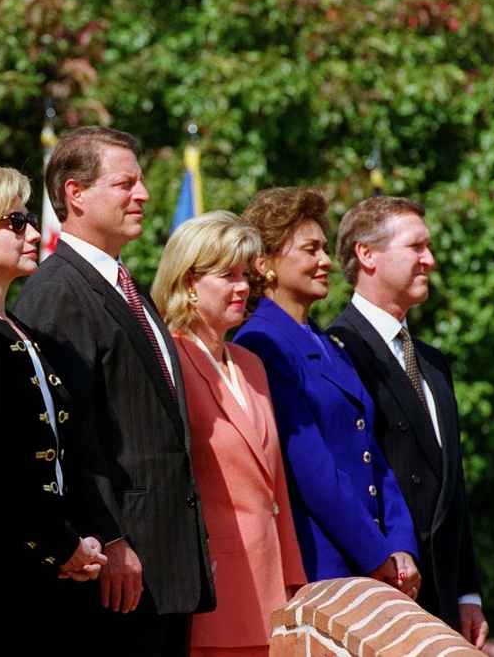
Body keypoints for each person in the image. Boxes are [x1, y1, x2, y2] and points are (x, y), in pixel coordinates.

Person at [14, 127, 214, 657]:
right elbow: (67, 433)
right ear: (75, 194)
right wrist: (110, 537)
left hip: (162, 566)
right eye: (125, 183)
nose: (143, 194)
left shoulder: (126, 285)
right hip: (117, 572)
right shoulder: (57, 292)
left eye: (141, 182)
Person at [0, 165, 107, 637]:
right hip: (5, 563)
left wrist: (74, 542)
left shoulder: (20, 329)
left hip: (52, 561)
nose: (32, 231)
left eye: (29, 218)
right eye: (14, 222)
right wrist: (60, 543)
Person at [232, 187, 418, 593]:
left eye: (324, 249)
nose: (326, 262)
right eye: (310, 249)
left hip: (372, 561)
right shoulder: (260, 344)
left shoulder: (329, 343)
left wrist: (402, 544)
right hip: (323, 564)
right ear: (264, 264)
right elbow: (311, 469)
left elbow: (374, 454)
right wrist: (376, 552)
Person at [327, 196, 487, 647]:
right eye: (416, 246)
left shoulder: (433, 363)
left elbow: (449, 484)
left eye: (429, 247)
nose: (430, 260)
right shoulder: (337, 351)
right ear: (367, 254)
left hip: (443, 594)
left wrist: (468, 591)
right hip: (386, 589)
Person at [151, 211, 306, 657]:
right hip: (214, 590)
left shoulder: (250, 363)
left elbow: (274, 488)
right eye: (228, 276)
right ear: (189, 281)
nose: (243, 288)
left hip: (271, 585)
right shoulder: (169, 359)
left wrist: (292, 577)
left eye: (245, 276)